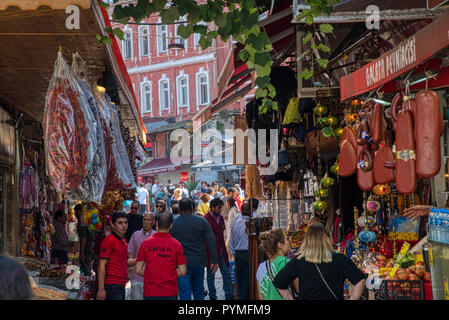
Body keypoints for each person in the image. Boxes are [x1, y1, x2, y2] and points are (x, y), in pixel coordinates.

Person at [273, 222, 366, 300]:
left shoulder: (298, 261)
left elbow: (279, 282)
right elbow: (360, 280)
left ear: (307, 240)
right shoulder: (339, 259)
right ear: (326, 237)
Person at [171, 198, 218, 300]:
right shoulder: (201, 221)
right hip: (198, 262)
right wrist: (214, 260)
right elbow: (212, 241)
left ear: (179, 209)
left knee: (184, 293)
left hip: (181, 264)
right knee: (198, 290)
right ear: (192, 208)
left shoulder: (173, 223)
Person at [136, 212, 187, 300]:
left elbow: (138, 269)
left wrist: (152, 275)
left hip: (150, 292)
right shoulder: (176, 244)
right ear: (171, 226)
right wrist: (168, 275)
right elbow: (182, 271)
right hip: (170, 292)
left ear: (156, 224)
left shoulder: (146, 244)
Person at [256, 228, 298, 300]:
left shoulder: (261, 268)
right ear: (280, 245)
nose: (289, 242)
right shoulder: (289, 264)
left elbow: (261, 296)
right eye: (286, 239)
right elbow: (299, 289)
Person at [97, 211, 130, 300]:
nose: (124, 225)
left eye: (125, 222)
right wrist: (101, 289)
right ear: (113, 225)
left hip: (121, 285)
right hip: (112, 285)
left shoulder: (123, 241)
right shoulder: (109, 241)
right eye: (120, 223)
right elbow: (101, 264)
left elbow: (124, 262)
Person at [204, 198, 233, 300]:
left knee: (226, 273)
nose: (221, 209)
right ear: (212, 207)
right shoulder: (206, 219)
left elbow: (223, 234)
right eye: (219, 207)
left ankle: (229, 296)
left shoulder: (220, 218)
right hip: (211, 252)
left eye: (221, 207)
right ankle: (213, 297)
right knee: (211, 276)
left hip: (221, 250)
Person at [128, 213, 156, 300]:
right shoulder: (135, 235)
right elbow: (130, 253)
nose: (146, 222)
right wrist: (130, 270)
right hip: (136, 277)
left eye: (149, 220)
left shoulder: (156, 236)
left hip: (152, 279)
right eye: (144, 219)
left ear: (153, 222)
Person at [230, 201, 251, 300]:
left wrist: (233, 252)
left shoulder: (235, 222)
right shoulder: (251, 223)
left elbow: (231, 240)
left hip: (238, 253)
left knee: (240, 276)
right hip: (248, 253)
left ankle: (241, 296)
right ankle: (245, 297)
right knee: (247, 277)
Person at [75, 204, 95, 276]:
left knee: (86, 263)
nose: (75, 214)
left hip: (87, 246)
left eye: (75, 211)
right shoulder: (86, 220)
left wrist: (82, 251)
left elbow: (84, 237)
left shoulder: (82, 222)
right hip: (90, 245)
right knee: (87, 263)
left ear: (79, 211)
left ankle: (88, 276)